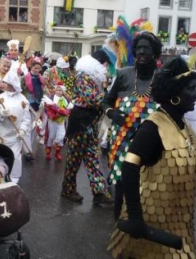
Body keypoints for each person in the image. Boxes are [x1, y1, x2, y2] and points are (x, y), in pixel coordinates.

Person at [108, 56, 196, 258]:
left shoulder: (186, 128)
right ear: (174, 93)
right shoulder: (152, 127)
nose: (195, 94)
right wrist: (136, 218)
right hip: (151, 222)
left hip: (180, 221)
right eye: (191, 88)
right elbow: (128, 168)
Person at [101, 31, 162, 221]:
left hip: (151, 143)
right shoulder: (123, 74)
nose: (142, 52)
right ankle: (119, 224)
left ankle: (142, 225)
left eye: (147, 48)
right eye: (139, 48)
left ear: (155, 53)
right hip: (121, 142)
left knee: (148, 183)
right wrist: (112, 113)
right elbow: (106, 102)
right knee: (121, 183)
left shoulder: (162, 78)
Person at [61, 54, 112, 204]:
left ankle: (99, 191)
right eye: (105, 64)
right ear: (97, 63)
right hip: (80, 122)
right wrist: (110, 100)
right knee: (74, 159)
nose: (107, 67)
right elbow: (90, 98)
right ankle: (68, 189)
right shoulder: (83, 76)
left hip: (91, 123)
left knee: (92, 158)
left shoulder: (94, 78)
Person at [0, 71, 31, 184]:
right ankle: (0, 177)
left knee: (16, 157)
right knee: (0, 157)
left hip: (16, 135)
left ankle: (14, 179)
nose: (3, 84)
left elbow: (26, 118)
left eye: (5, 82)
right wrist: (1, 114)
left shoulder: (23, 100)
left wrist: (23, 130)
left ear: (12, 84)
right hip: (3, 134)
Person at [21, 58, 46, 147]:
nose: (37, 70)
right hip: (28, 104)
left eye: (38, 68)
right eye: (35, 68)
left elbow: (43, 90)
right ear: (31, 67)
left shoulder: (41, 78)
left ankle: (29, 146)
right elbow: (20, 90)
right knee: (27, 126)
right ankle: (26, 147)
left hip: (38, 104)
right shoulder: (24, 78)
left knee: (34, 126)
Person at [43, 84, 71, 161]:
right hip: (52, 121)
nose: (58, 92)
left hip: (61, 121)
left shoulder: (66, 100)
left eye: (60, 90)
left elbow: (68, 110)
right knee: (51, 136)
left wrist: (64, 112)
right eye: (57, 90)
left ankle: (57, 153)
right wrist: (53, 115)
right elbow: (47, 109)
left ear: (63, 92)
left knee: (61, 136)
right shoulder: (51, 98)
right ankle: (48, 153)